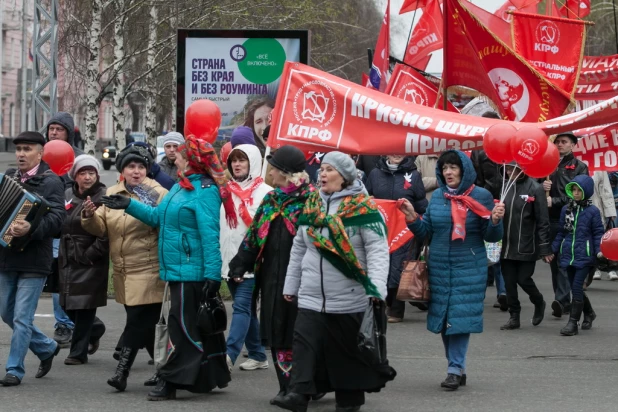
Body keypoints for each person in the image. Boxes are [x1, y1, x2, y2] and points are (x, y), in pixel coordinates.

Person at [104, 135, 233, 400]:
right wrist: (129, 204)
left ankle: (171, 381)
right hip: (177, 269)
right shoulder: (180, 187)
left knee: (182, 328)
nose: (176, 159)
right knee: (195, 325)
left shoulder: (205, 190)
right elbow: (156, 217)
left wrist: (212, 275)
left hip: (192, 271)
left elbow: (210, 235)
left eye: (182, 156)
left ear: (193, 161)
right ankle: (210, 375)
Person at [275, 151, 396, 412]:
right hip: (310, 295)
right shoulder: (312, 205)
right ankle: (298, 394)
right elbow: (299, 248)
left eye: (329, 170)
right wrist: (290, 285)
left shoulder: (363, 208)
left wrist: (376, 289)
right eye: (321, 169)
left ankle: (349, 400)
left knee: (345, 353)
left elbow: (377, 250)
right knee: (304, 344)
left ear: (344, 177)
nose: (322, 174)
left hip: (348, 296)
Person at [399, 150, 504, 391]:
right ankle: (456, 367)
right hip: (438, 267)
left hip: (469, 266)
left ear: (464, 170)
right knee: (444, 318)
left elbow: (491, 236)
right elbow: (427, 232)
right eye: (445, 168)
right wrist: (412, 218)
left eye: (453, 167)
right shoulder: (437, 197)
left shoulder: (482, 196)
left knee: (459, 318)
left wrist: (496, 221)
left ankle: (454, 369)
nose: (448, 172)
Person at [228, 145, 316, 405]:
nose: (270, 171)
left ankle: (306, 386)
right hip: (271, 279)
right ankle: (286, 386)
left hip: (304, 282)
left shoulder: (312, 201)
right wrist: (238, 265)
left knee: (301, 334)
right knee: (277, 331)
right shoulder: (272, 200)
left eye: (274, 167)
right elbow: (254, 236)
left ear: (285, 172)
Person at [81, 144, 167, 391]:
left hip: (149, 268)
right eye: (131, 166)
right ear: (122, 170)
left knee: (137, 321)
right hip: (122, 269)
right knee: (144, 324)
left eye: (142, 167)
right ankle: (165, 372)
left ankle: (122, 373)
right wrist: (89, 216)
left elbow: (160, 221)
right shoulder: (113, 192)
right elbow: (102, 229)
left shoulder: (157, 193)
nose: (137, 171)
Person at [0, 131, 66, 386]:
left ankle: (14, 369)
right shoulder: (8, 177)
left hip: (34, 259)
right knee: (6, 312)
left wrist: (31, 228)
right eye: (18, 150)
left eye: (27, 149)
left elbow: (58, 219)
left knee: (22, 317)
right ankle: (46, 347)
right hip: (7, 255)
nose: (21, 154)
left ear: (40, 153)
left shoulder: (52, 182)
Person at [220, 144, 272, 371]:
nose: (237, 164)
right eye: (233, 160)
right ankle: (258, 355)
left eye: (242, 160)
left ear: (253, 162)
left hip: (251, 263)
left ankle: (228, 355)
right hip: (228, 261)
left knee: (241, 308)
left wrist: (250, 260)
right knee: (248, 310)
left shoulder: (266, 193)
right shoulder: (225, 191)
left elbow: (265, 231)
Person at [58, 155, 109, 365]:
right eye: (83, 173)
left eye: (91, 173)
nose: (87, 177)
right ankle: (96, 329)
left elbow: (107, 233)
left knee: (85, 305)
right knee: (67, 304)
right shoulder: (67, 193)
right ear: (75, 176)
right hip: (67, 256)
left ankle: (77, 353)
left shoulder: (103, 197)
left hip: (90, 258)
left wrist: (90, 255)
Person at [366, 155, 427, 323]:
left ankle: (397, 310)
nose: (396, 153)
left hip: (405, 230)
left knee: (400, 266)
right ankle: (383, 304)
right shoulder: (375, 174)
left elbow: (421, 204)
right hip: (381, 228)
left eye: (400, 150)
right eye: (392, 150)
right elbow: (366, 198)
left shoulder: (414, 175)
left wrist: (417, 218)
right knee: (381, 264)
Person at [497, 163, 551, 330]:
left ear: (522, 169)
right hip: (506, 244)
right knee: (509, 282)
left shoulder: (535, 188)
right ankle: (514, 316)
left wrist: (544, 248)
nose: (509, 171)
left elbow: (543, 221)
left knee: (523, 279)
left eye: (513, 168)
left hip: (527, 244)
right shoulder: (505, 186)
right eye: (507, 168)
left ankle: (538, 301)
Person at [46, 111, 84, 345]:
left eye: (59, 129)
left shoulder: (78, 159)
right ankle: (63, 324)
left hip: (71, 228)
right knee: (54, 279)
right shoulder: (40, 156)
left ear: (68, 133)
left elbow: (85, 187)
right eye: (51, 128)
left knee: (69, 279)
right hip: (47, 228)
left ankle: (74, 323)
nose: (54, 132)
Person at [542, 132, 589, 318]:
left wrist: (555, 200)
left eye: (564, 142)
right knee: (554, 261)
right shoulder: (548, 164)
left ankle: (562, 300)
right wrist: (542, 188)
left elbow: (581, 193)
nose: (560, 145)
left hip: (571, 219)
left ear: (573, 145)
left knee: (565, 261)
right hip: (550, 220)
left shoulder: (580, 167)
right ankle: (563, 301)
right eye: (557, 142)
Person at [551, 175, 604, 336]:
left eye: (578, 190)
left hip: (585, 256)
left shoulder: (593, 211)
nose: (575, 193)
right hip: (568, 254)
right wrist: (552, 249)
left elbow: (597, 233)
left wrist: (598, 251)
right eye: (573, 189)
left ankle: (572, 323)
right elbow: (562, 232)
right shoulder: (566, 210)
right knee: (576, 288)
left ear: (585, 191)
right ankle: (589, 313)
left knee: (576, 288)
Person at [590, 171, 617, 280]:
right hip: (580, 209)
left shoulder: (599, 169)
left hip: (597, 208)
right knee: (588, 241)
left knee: (604, 239)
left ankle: (611, 268)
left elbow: (605, 190)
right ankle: (594, 269)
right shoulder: (577, 164)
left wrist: (610, 211)